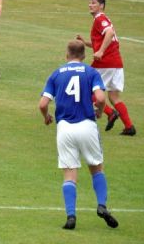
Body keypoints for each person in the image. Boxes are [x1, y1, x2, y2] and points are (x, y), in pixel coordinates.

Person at [38, 40, 119, 230]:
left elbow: (42, 104)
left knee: (69, 174)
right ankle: (101, 205)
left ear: (66, 54)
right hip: (87, 125)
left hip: (65, 128)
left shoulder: (56, 74)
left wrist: (46, 116)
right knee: (96, 168)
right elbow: (100, 98)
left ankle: (71, 216)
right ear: (83, 56)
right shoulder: (91, 72)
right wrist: (99, 111)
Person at [76, 0, 136, 136]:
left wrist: (101, 52)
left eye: (94, 3)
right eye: (90, 2)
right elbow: (104, 40)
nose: (91, 5)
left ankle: (110, 113)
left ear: (101, 6)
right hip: (116, 63)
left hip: (105, 62)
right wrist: (86, 43)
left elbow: (109, 33)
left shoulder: (100, 19)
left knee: (84, 87)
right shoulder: (103, 20)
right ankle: (129, 127)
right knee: (114, 97)